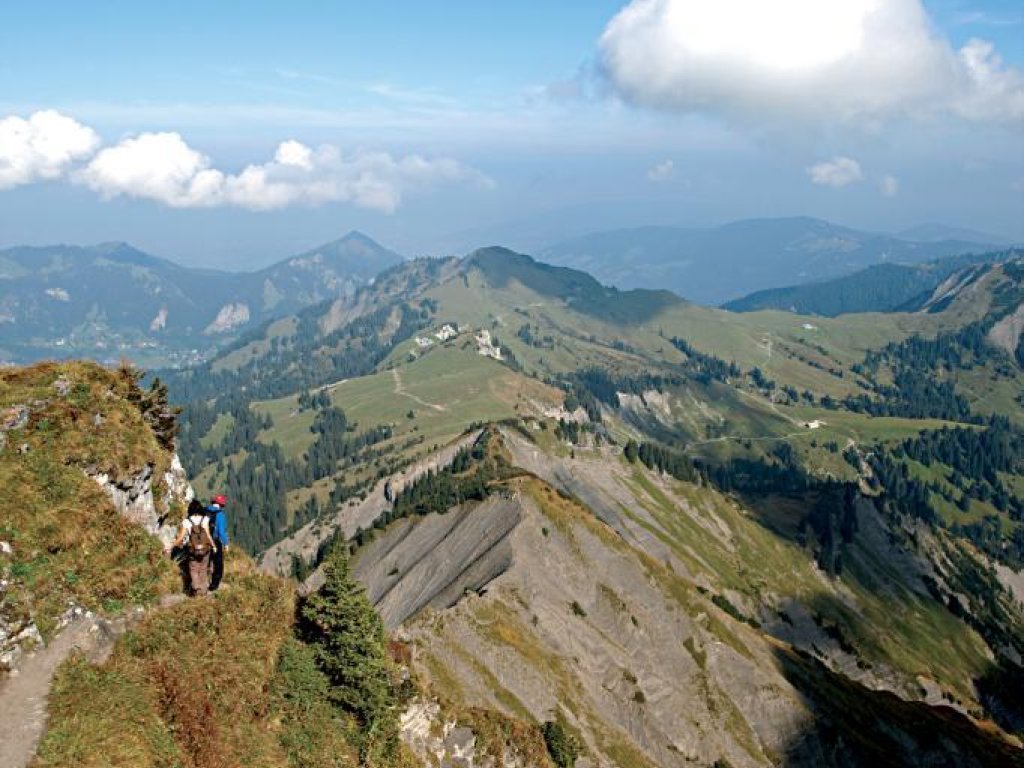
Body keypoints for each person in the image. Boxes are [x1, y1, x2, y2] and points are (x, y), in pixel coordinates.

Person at [168, 499, 216, 596]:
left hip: (193, 550)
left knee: (193, 569)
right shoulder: (205, 519)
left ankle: (196, 589)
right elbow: (208, 535)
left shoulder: (187, 522)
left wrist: (171, 546)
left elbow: (180, 538)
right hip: (205, 549)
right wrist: (213, 546)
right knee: (203, 569)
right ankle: (203, 590)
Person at [206, 494, 230, 592]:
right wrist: (226, 543)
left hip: (202, 539)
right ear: (222, 505)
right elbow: (221, 532)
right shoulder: (220, 515)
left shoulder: (204, 510)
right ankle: (214, 585)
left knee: (204, 561)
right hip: (214, 541)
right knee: (218, 563)